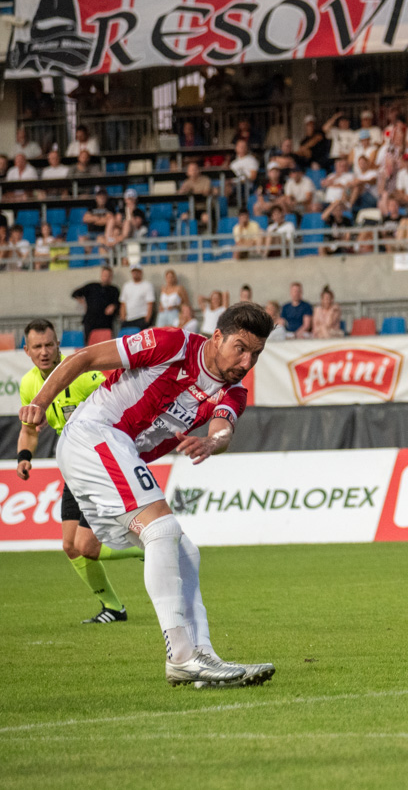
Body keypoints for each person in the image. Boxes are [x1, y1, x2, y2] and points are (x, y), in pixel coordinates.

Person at [19, 304, 277, 687]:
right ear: (217, 337)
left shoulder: (233, 391)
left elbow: (223, 429)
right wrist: (40, 402)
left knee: (185, 552)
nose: (246, 362)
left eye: (255, 354)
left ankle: (203, 656)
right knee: (162, 530)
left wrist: (212, 442)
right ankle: (182, 657)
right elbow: (85, 358)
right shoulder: (173, 344)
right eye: (240, 348)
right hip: (95, 432)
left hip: (113, 451)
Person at [17, 319, 143, 624]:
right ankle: (113, 608)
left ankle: (150, 546)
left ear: (58, 345)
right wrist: (24, 456)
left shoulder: (84, 375)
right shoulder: (29, 384)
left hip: (100, 464)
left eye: (49, 345)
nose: (44, 352)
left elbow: (123, 402)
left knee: (87, 546)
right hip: (73, 467)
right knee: (71, 547)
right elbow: (29, 430)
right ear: (27, 351)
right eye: (37, 347)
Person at [72, 266, 119, 341]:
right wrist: (82, 301)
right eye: (105, 275)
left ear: (111, 277)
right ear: (101, 275)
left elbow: (117, 303)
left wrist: (113, 306)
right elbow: (75, 293)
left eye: (108, 276)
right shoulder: (92, 286)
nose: (106, 278)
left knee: (105, 343)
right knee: (89, 343)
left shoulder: (114, 290)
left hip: (106, 322)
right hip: (91, 321)